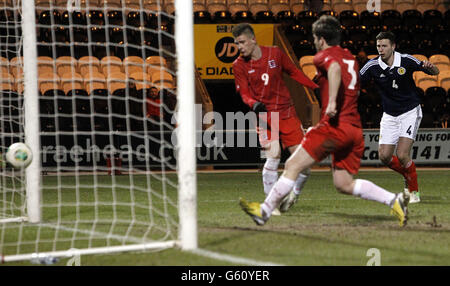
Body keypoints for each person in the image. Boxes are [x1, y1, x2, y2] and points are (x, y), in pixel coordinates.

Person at [239, 15, 410, 227]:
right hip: (354, 129)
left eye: (314, 38)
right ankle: (394, 200)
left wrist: (330, 103)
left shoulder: (322, 57)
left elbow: (334, 70)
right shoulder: (350, 57)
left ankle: (264, 211)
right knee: (343, 183)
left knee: (292, 165)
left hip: (334, 126)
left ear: (320, 39)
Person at [232, 23, 318, 214]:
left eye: (242, 42)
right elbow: (244, 93)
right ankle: (272, 204)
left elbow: (294, 72)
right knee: (274, 155)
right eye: (237, 44)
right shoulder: (238, 65)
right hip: (264, 115)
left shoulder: (276, 54)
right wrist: (253, 104)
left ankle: (294, 194)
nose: (240, 47)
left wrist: (315, 87)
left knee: (305, 164)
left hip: (286, 112)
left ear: (253, 39)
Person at [359, 32, 440, 203]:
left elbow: (435, 71)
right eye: (378, 46)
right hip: (389, 115)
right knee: (384, 157)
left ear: (393, 46)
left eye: (384, 46)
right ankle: (408, 173)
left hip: (410, 111)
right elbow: (355, 82)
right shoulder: (372, 66)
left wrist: (430, 67)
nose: (380, 49)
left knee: (402, 155)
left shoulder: (406, 60)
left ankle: (414, 193)